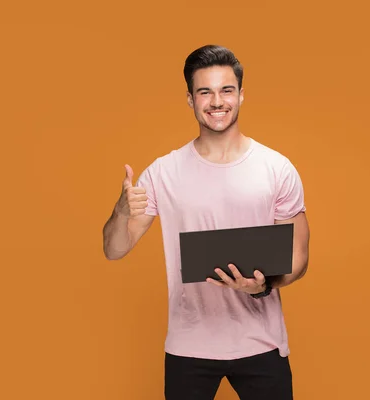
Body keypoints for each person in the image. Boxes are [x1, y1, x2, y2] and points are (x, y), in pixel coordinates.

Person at [102, 44, 310, 400]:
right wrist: (121, 210)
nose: (217, 101)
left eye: (226, 90)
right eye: (205, 92)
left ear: (241, 95)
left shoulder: (276, 168)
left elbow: (299, 257)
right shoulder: (163, 173)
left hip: (261, 342)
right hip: (189, 345)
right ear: (190, 99)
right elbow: (114, 250)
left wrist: (261, 285)